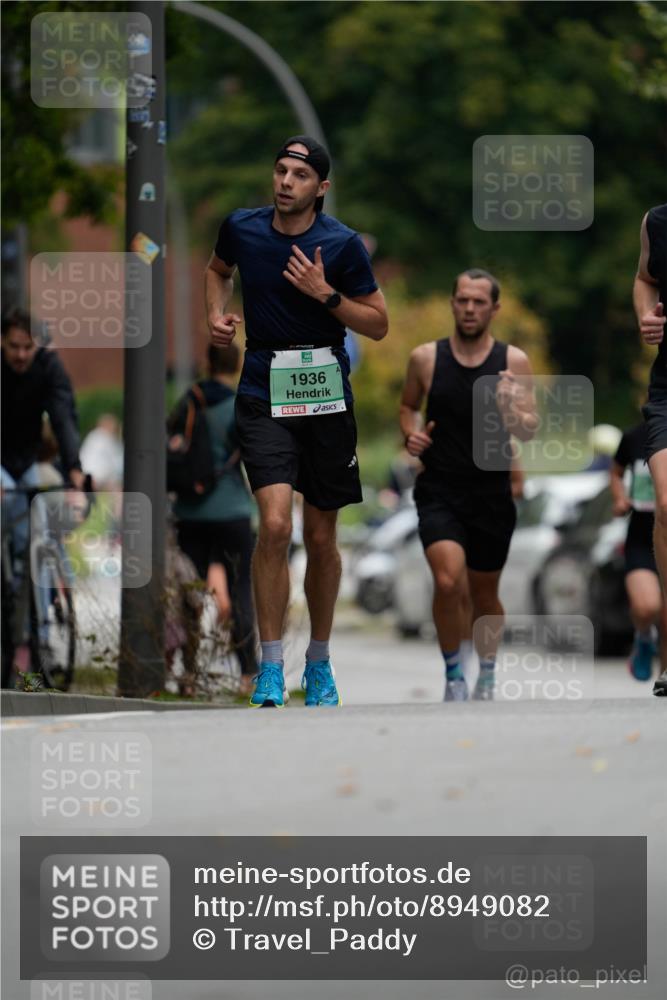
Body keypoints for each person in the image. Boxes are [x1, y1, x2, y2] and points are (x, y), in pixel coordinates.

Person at [206, 135, 387, 707]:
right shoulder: (243, 228)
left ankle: (320, 663)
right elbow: (217, 270)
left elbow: (378, 324)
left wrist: (326, 293)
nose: (286, 181)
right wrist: (216, 316)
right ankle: (269, 665)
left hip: (326, 394)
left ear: (321, 188)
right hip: (263, 390)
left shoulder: (341, 244)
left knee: (321, 535)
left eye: (299, 175)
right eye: (280, 171)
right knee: (277, 526)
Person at [399, 269, 537, 702]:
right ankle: (454, 671)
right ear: (452, 302)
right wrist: (412, 434)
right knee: (446, 580)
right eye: (462, 300)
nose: (470, 308)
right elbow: (407, 407)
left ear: (494, 308)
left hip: (491, 493)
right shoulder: (426, 358)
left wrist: (510, 406)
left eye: (479, 302)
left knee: (483, 592)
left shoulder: (513, 363)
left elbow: (529, 430)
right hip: (439, 488)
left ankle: (488, 672)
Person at [170, 343, 258, 697]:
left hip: (190, 512)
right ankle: (248, 674)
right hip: (233, 511)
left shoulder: (189, 400)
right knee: (240, 592)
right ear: (237, 364)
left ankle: (189, 675)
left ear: (207, 362)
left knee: (190, 594)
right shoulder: (240, 404)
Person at [1, 306, 85, 677]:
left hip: (29, 460)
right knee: (15, 530)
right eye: (13, 347)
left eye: (27, 347)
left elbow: (64, 416)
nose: (21, 355)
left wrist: (75, 473)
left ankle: (44, 637)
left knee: (39, 536)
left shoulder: (49, 366)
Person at [634, 203, 667, 697]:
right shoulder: (656, 222)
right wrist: (646, 315)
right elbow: (644, 278)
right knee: (666, 506)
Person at [610, 420, 667, 683]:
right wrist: (620, 498)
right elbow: (616, 472)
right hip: (642, 537)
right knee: (647, 608)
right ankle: (644, 638)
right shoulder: (635, 436)